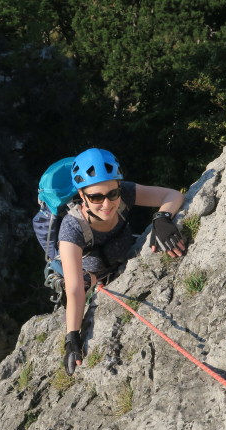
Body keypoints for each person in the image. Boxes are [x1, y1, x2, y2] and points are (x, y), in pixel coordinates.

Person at [59, 148, 186, 375]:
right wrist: (72, 337)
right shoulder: (71, 228)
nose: (107, 204)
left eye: (112, 194)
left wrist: (162, 218)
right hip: (95, 278)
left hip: (126, 260)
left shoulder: (125, 192)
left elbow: (172, 196)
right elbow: (75, 288)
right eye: (96, 197)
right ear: (81, 195)